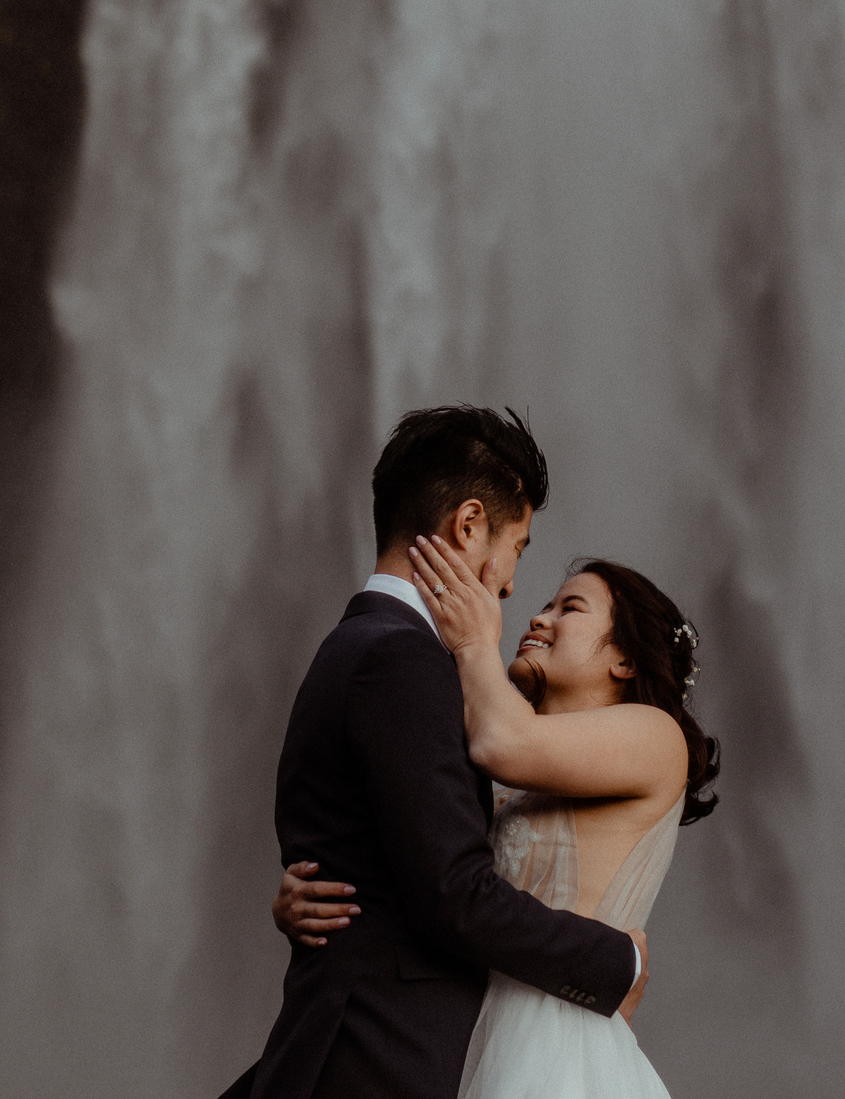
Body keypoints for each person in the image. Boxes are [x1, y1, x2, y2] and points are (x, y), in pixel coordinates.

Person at [218, 407, 649, 1099]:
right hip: (376, 1060)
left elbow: (380, 858)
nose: (509, 583)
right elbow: (454, 892)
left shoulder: (357, 646)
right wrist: (616, 960)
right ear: (469, 525)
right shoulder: (401, 659)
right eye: (519, 546)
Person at [273, 540, 720, 1099]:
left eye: (570, 608)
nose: (538, 615)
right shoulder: (514, 779)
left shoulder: (658, 736)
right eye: (548, 605)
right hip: (462, 1036)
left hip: (555, 1051)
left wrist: (472, 642)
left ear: (624, 659)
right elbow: (440, 873)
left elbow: (501, 740)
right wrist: (307, 891)